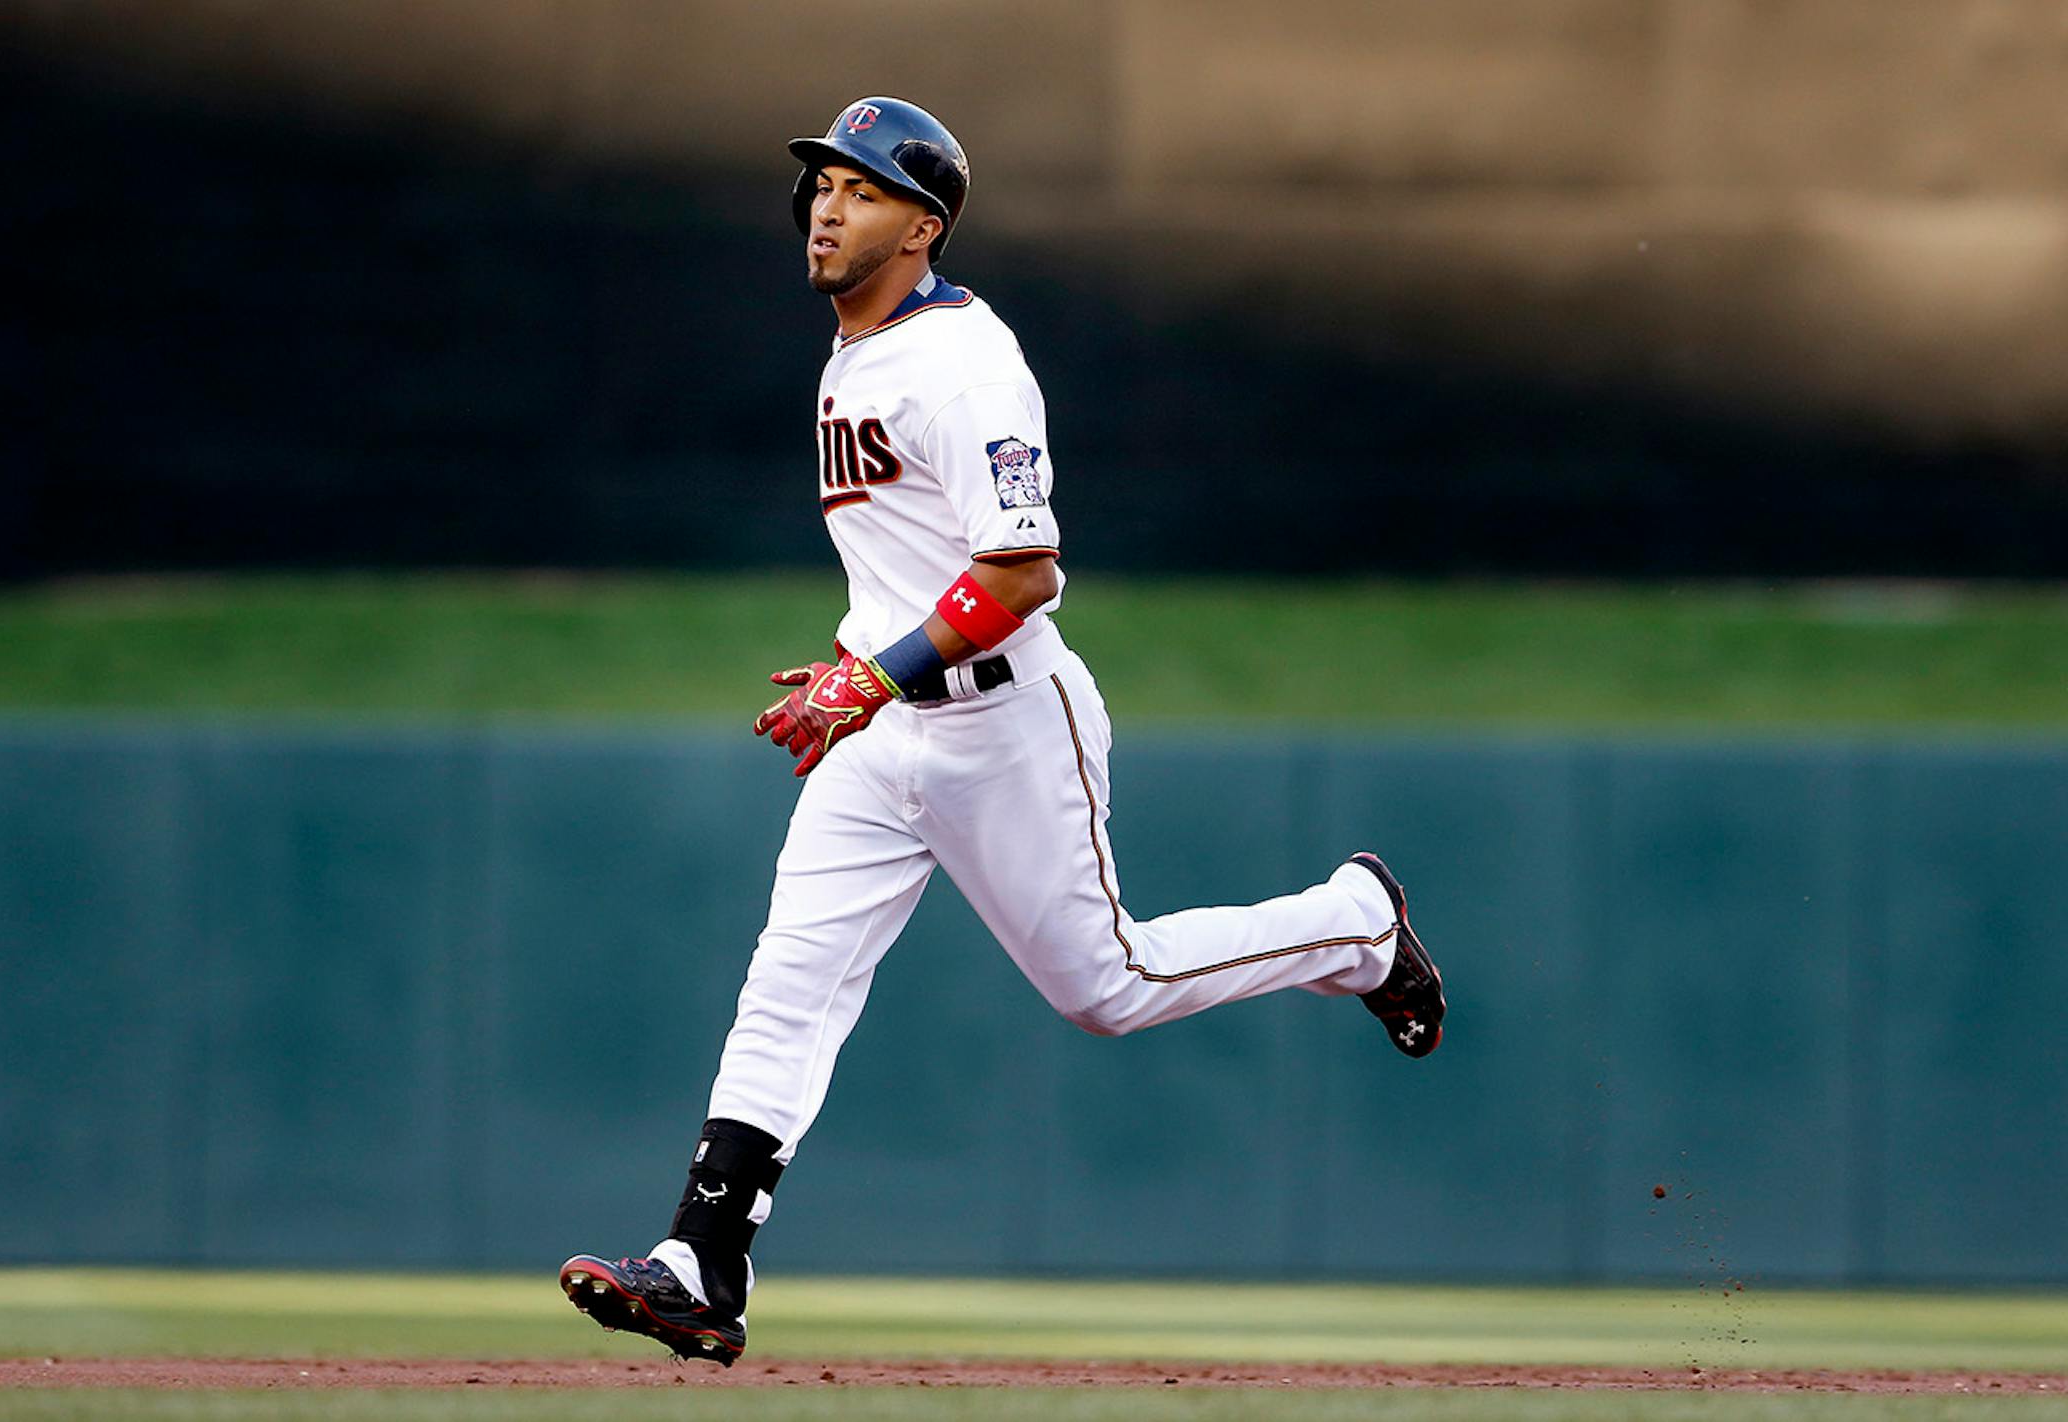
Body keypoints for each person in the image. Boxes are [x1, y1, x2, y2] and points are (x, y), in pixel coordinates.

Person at [559, 96, 1446, 1365]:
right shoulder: (857, 353)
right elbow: (918, 561)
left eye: (862, 190)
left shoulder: (966, 364)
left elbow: (1023, 571)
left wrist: (876, 676)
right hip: (882, 727)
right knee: (791, 978)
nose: (826, 207)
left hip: (1004, 722)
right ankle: (703, 1262)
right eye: (822, 184)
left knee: (1108, 987)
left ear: (923, 226)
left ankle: (1355, 925)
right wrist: (868, 665)